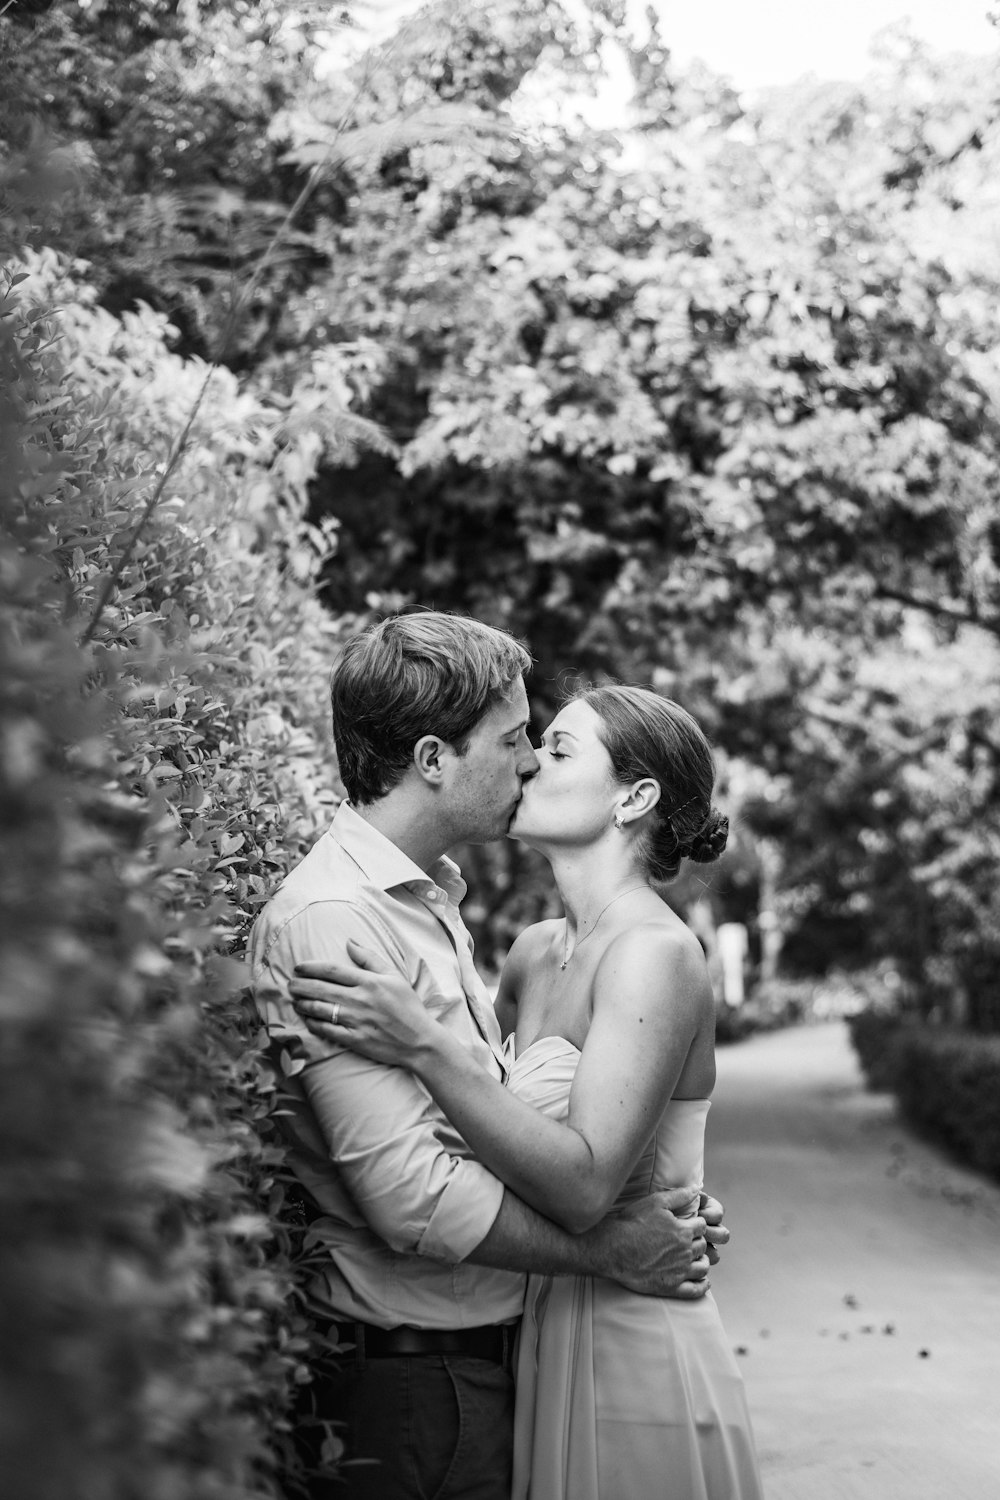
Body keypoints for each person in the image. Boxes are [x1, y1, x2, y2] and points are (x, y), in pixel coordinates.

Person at [249, 612, 728, 1500]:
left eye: (551, 747)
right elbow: (412, 1194)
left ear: (633, 799)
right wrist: (612, 1246)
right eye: (519, 740)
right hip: (430, 1374)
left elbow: (543, 1145)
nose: (530, 763)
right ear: (434, 758)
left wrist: (661, 1188)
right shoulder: (348, 922)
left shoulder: (436, 909)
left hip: (530, 1354)